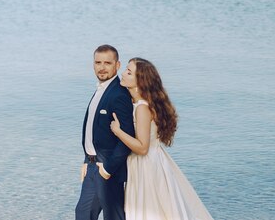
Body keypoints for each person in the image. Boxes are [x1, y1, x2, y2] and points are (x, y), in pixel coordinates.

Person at [110, 58, 215, 220]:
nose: (123, 73)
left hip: (146, 166)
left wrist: (118, 132)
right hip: (152, 162)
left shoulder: (142, 109)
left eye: (129, 72)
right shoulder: (139, 104)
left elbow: (142, 148)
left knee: (149, 211)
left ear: (140, 81)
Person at [75, 44, 135, 220]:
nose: (102, 67)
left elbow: (127, 137)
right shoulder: (101, 89)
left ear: (117, 65)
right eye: (98, 62)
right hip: (92, 166)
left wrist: (108, 169)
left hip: (108, 168)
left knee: (113, 217)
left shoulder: (119, 94)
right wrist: (87, 158)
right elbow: (94, 130)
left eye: (107, 63)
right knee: (83, 214)